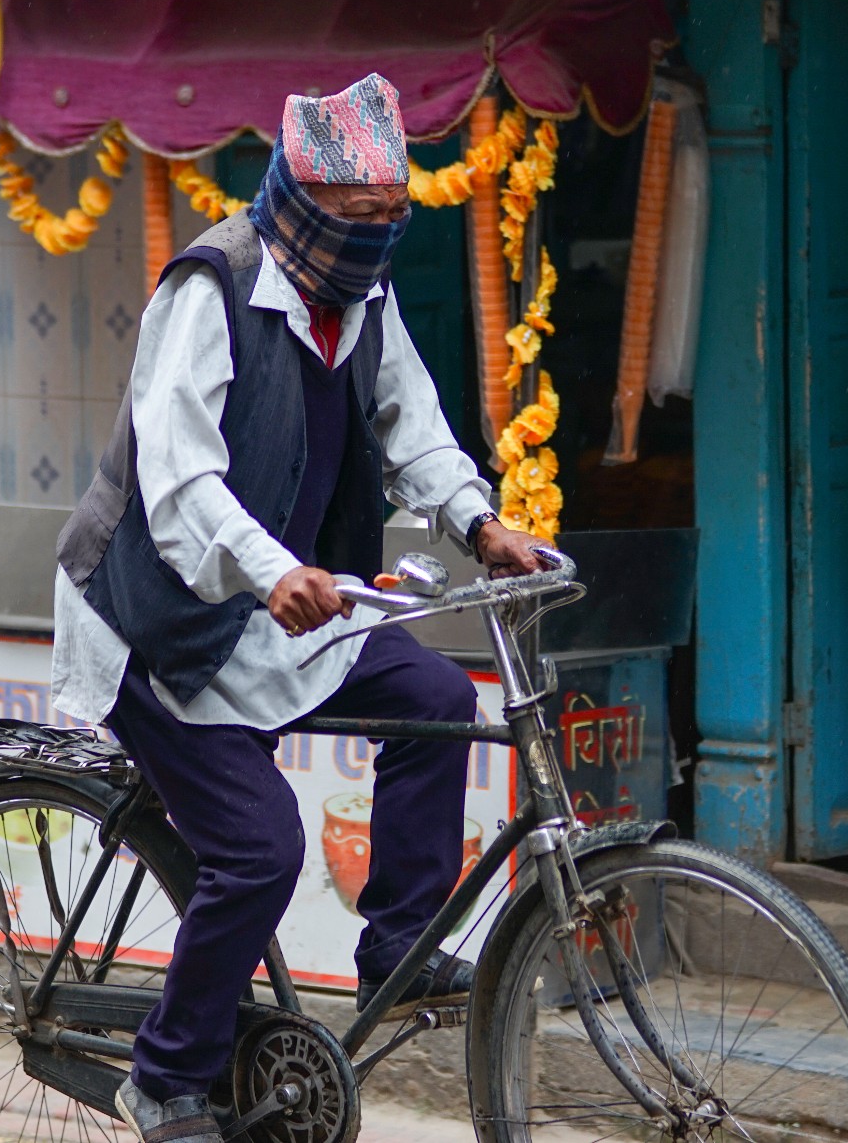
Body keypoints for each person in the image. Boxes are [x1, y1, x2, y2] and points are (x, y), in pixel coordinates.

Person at [50, 73, 549, 1142]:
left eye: (393, 217)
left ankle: (395, 955)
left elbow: (409, 420)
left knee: (433, 698)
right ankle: (165, 1073)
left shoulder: (363, 298)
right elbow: (179, 487)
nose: (381, 237)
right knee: (261, 850)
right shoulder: (210, 290)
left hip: (285, 610)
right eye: (363, 218)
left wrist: (477, 522)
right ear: (308, 206)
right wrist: (268, 568)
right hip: (160, 619)